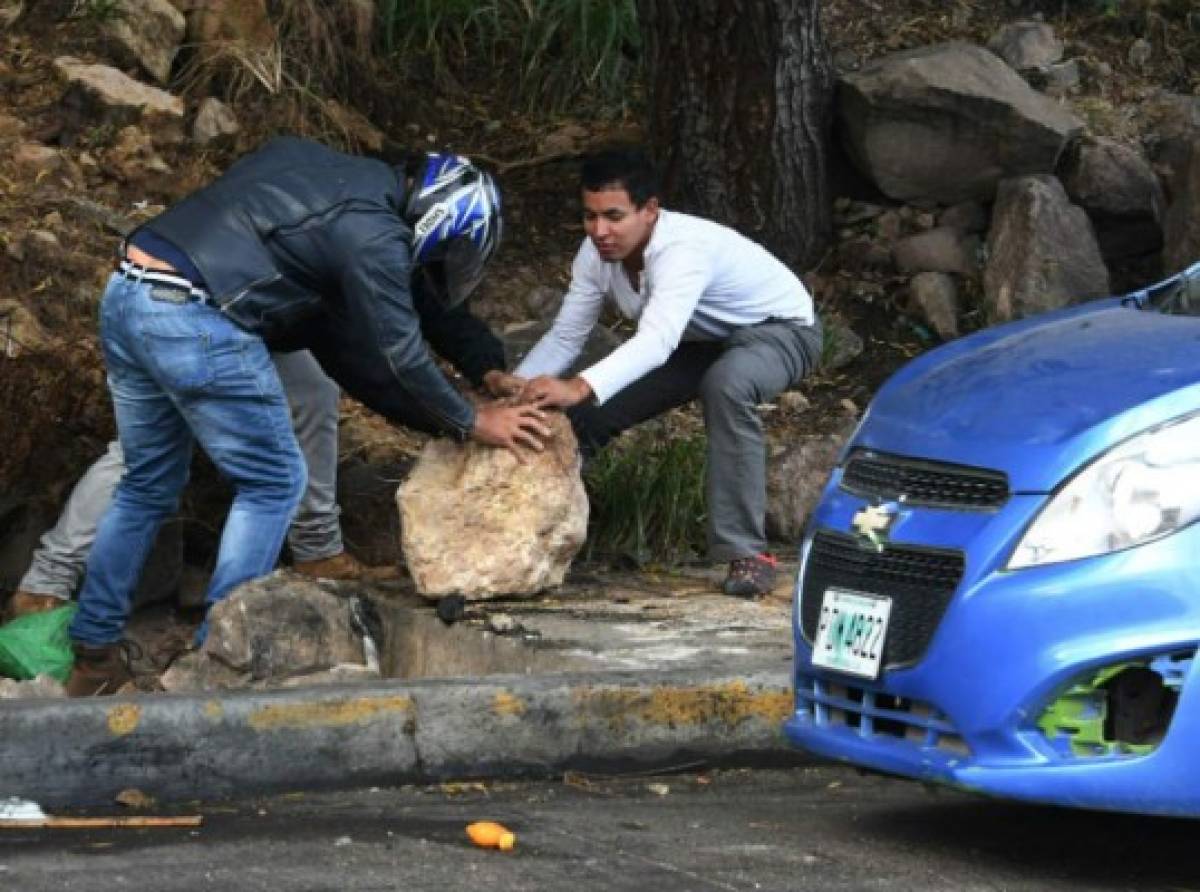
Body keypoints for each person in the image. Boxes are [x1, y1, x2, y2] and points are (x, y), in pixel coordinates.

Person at [65, 136, 549, 696]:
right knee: (275, 481)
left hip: (129, 292)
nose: (439, 263)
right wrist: (470, 422)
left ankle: (94, 657)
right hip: (197, 317)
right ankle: (217, 664)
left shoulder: (332, 182)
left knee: (148, 481)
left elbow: (405, 314)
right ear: (445, 217)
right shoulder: (373, 234)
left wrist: (484, 366)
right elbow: (395, 355)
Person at [515, 148, 822, 599]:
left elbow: (656, 341)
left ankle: (748, 555)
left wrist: (578, 385)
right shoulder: (594, 253)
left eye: (614, 216)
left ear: (650, 210)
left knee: (727, 385)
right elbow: (566, 337)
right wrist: (519, 389)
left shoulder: (681, 249)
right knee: (591, 412)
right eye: (590, 216)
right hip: (695, 341)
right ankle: (541, 532)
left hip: (778, 331)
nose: (600, 231)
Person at [4, 349, 394, 623]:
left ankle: (317, 549)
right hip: (198, 307)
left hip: (173, 293)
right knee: (147, 454)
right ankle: (46, 583)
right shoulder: (351, 238)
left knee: (310, 393)